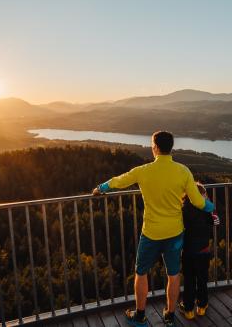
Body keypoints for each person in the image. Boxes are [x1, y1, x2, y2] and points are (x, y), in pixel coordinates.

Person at [92, 131, 215, 327]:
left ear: (155, 147)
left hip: (150, 233)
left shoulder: (143, 170)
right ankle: (170, 315)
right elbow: (198, 201)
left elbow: (120, 180)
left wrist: (101, 187)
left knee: (141, 273)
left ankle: (140, 316)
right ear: (171, 148)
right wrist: (211, 207)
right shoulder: (183, 171)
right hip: (175, 233)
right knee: (173, 274)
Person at [178, 183, 219, 319]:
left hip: (188, 251)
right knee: (202, 279)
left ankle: (188, 310)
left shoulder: (184, 209)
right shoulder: (205, 209)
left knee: (189, 280)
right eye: (204, 194)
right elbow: (215, 222)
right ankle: (202, 306)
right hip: (203, 250)